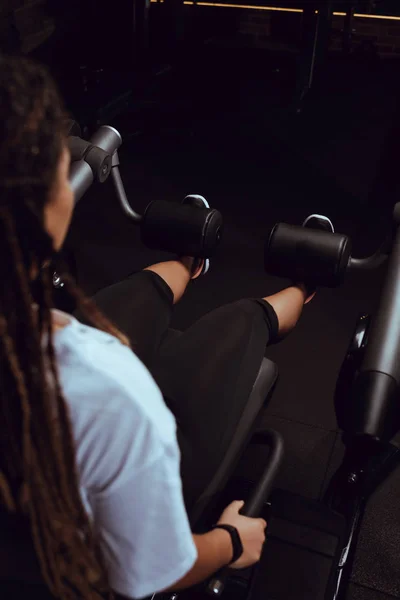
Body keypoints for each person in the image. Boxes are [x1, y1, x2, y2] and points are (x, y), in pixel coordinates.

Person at [0, 54, 316, 600]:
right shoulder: (107, 392)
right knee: (245, 320)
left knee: (144, 291)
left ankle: (188, 261)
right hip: (87, 498)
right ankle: (304, 286)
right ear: (46, 209)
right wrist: (232, 541)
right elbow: (152, 573)